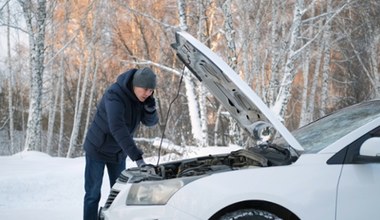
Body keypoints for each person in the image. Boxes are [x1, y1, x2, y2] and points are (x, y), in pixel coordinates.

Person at [83, 67, 159, 220]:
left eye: (151, 90)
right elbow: (117, 127)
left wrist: (150, 111)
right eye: (145, 89)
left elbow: (150, 123)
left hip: (118, 152)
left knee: (120, 194)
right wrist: (137, 157)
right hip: (98, 148)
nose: (148, 93)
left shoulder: (141, 99)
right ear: (135, 85)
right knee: (93, 194)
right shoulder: (114, 95)